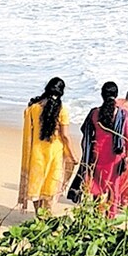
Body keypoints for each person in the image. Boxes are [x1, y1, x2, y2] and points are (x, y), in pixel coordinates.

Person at [17, 77, 78, 213]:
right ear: (61, 92)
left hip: (36, 153)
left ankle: (39, 215)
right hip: (54, 154)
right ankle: (46, 216)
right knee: (50, 186)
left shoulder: (33, 108)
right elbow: (65, 136)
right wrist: (73, 156)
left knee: (37, 186)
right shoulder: (62, 110)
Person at [87, 81, 128, 218]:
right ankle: (110, 217)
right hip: (115, 155)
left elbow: (88, 133)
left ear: (102, 95)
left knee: (97, 185)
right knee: (114, 187)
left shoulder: (95, 113)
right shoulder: (122, 114)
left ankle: (96, 214)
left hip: (98, 154)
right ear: (116, 95)